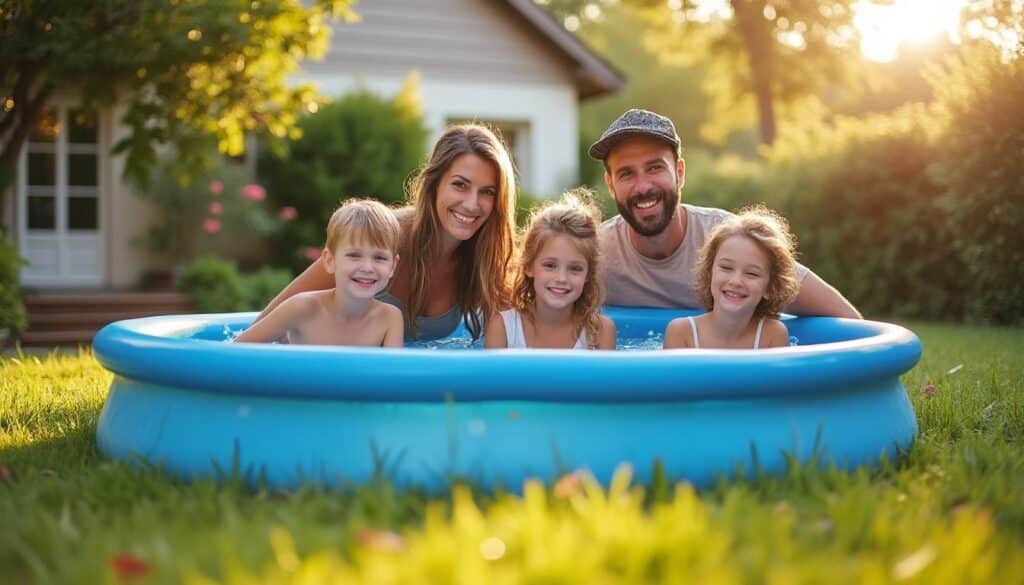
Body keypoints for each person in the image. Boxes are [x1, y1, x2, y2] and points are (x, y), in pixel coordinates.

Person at [588, 109, 861, 319]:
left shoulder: (730, 240)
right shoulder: (594, 254)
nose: (643, 186)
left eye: (655, 168)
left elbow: (847, 320)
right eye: (626, 174)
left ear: (679, 173)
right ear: (611, 184)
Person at [256, 124, 517, 341]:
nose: (472, 204)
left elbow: (522, 337)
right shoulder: (382, 238)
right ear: (433, 184)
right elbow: (265, 324)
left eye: (487, 192)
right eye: (460, 185)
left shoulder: (485, 260)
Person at [236, 199, 404, 346]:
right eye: (354, 255)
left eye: (380, 258)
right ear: (329, 261)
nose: (367, 267)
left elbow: (394, 376)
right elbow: (236, 350)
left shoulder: (389, 318)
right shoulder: (302, 307)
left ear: (393, 267)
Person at [485, 189, 616, 350]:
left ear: (588, 274)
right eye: (550, 265)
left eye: (575, 268)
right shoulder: (503, 328)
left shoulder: (600, 333)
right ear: (528, 266)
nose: (561, 278)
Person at [663, 206, 799, 349]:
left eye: (752, 274)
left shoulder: (772, 335)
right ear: (710, 272)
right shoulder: (682, 333)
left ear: (770, 287)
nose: (735, 281)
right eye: (726, 268)